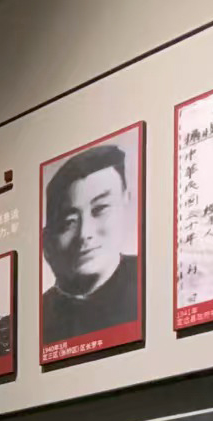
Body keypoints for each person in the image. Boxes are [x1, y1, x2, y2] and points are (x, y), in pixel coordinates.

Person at [41, 144, 139, 344]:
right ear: (47, 241)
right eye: (68, 222)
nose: (84, 234)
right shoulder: (41, 316)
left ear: (126, 200)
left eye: (100, 209)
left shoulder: (151, 279)